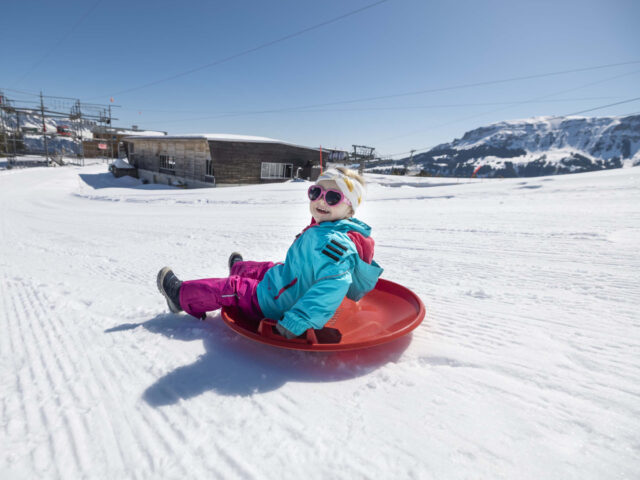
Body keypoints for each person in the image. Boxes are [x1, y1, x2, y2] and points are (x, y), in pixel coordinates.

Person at [156, 167, 383, 339]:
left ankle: (180, 297)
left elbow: (333, 284)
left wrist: (298, 320)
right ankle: (239, 269)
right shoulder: (332, 226)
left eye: (333, 197)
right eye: (316, 192)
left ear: (350, 208)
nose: (321, 201)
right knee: (269, 268)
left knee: (232, 288)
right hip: (289, 281)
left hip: (278, 303)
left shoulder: (332, 242)